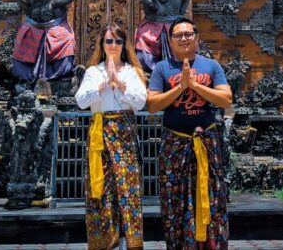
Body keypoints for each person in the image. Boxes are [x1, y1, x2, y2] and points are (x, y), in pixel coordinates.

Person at [147, 18, 232, 249]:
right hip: (175, 145)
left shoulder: (211, 66)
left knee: (212, 197)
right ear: (170, 41)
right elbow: (152, 105)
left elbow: (226, 99)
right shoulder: (162, 68)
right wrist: (180, 87)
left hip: (206, 144)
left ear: (197, 38)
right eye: (178, 35)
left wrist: (195, 86)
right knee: (174, 200)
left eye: (188, 34)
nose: (183, 39)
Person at [75, 24, 148, 250]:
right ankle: (105, 243)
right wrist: (103, 84)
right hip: (100, 132)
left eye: (118, 41)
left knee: (127, 187)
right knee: (101, 187)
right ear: (102, 44)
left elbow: (141, 102)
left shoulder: (132, 71)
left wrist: (121, 84)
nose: (113, 45)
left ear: (124, 45)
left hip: (124, 132)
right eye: (109, 41)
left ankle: (129, 243)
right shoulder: (93, 72)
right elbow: (81, 101)